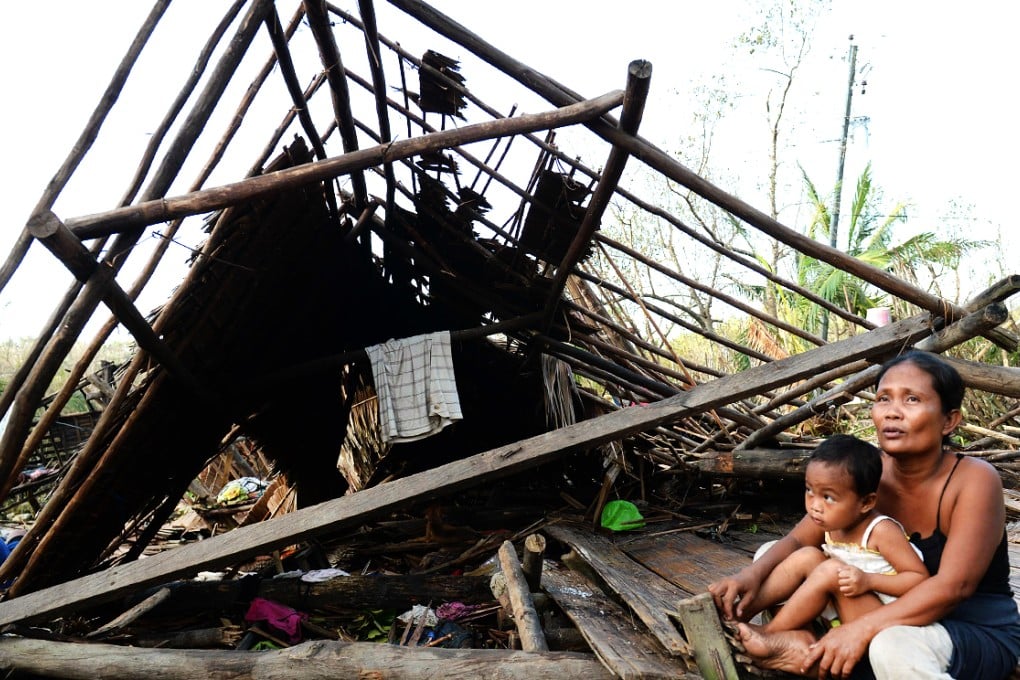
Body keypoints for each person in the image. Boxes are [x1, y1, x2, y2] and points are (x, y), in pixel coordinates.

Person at [708, 350, 1020, 678]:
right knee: (770, 555)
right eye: (883, 398)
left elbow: (953, 588)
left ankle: (809, 655)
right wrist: (747, 578)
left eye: (911, 399)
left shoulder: (973, 480)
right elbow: (801, 540)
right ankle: (772, 635)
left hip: (965, 631)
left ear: (949, 420)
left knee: (891, 647)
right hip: (878, 611)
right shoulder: (869, 473)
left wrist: (859, 631)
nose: (892, 413)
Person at [734, 434, 927, 637]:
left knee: (831, 570)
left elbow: (919, 579)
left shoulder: (881, 531)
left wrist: (869, 581)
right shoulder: (834, 522)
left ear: (866, 503)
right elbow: (795, 541)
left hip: (880, 622)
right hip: (840, 608)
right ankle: (739, 613)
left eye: (828, 497)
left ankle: (770, 633)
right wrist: (750, 575)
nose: (815, 506)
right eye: (809, 490)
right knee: (806, 556)